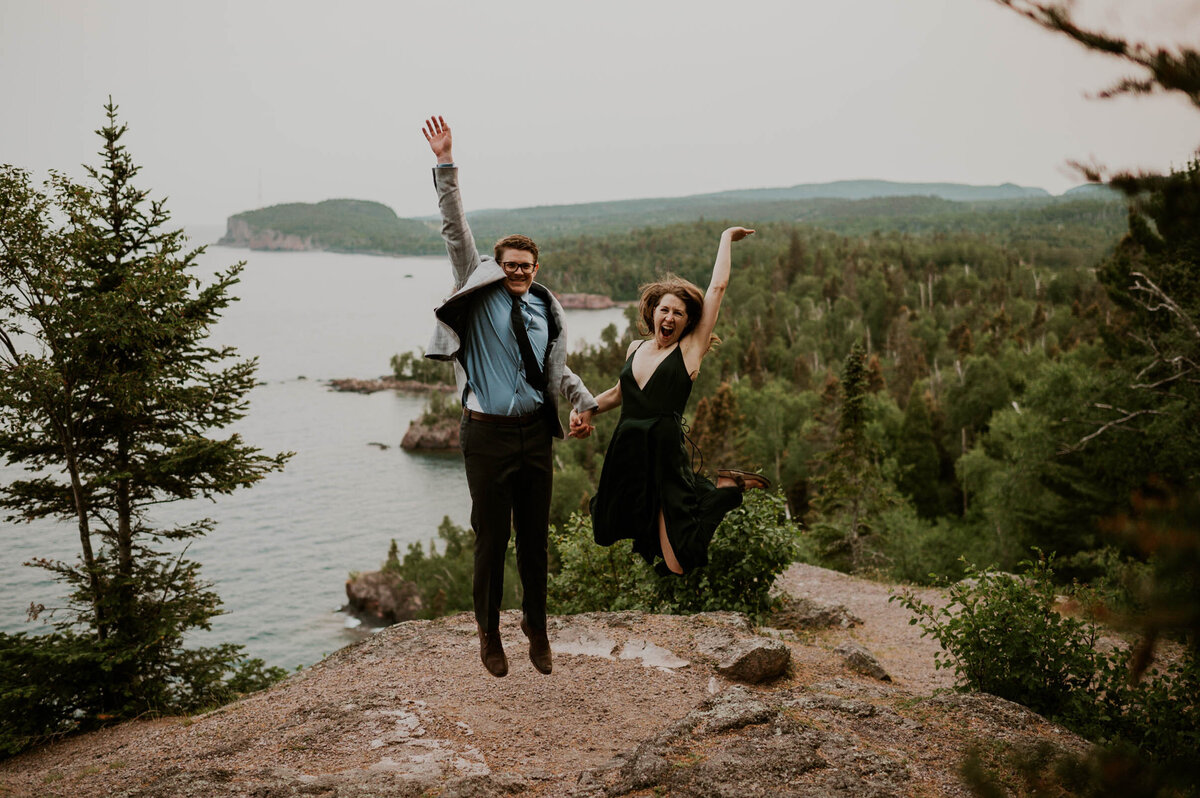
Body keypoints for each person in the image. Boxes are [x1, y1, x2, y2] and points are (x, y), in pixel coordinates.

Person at [421, 116, 598, 677]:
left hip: (532, 437)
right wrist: (446, 163)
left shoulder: (547, 308)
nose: (518, 271)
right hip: (486, 436)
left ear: (536, 268)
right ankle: (489, 633)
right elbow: (455, 230)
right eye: (509, 265)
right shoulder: (481, 295)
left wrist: (584, 401)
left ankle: (537, 628)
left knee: (536, 542)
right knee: (491, 541)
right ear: (495, 267)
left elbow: (555, 371)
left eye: (526, 265)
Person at [578, 226, 769, 576]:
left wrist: (725, 237)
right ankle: (718, 493)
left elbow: (717, 288)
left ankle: (728, 489)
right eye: (664, 310)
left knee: (680, 561)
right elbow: (619, 395)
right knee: (608, 523)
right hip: (628, 451)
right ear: (653, 312)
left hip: (663, 453)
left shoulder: (689, 351)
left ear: (688, 322)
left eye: (678, 314)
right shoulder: (635, 348)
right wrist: (585, 411)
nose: (669, 318)